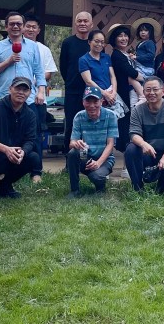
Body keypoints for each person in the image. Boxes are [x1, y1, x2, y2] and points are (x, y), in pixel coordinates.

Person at [125, 77, 164, 193]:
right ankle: (138, 188)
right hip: (147, 152)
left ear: (163, 91)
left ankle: (159, 190)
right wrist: (143, 144)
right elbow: (133, 133)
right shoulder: (137, 110)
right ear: (143, 92)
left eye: (155, 89)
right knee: (131, 149)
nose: (151, 93)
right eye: (148, 90)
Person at [23, 14, 58, 182]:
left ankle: (36, 170)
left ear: (38, 30)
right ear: (22, 27)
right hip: (17, 97)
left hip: (37, 97)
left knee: (35, 134)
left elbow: (49, 73)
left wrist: (35, 83)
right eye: (28, 26)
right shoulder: (15, 46)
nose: (30, 29)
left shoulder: (44, 49)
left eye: (34, 27)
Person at [66, 88, 118, 197]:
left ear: (101, 101)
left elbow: (110, 144)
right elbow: (72, 142)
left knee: (97, 176)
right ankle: (74, 190)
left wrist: (98, 163)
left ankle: (100, 186)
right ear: (83, 102)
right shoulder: (79, 116)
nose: (91, 105)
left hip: (105, 159)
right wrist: (76, 143)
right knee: (72, 153)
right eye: (88, 102)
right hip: (86, 155)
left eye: (95, 101)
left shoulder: (111, 116)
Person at [60, 10, 94, 153]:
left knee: (91, 123)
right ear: (75, 23)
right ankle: (69, 157)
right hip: (73, 91)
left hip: (91, 91)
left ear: (91, 24)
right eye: (79, 21)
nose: (82, 23)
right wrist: (70, 82)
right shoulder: (68, 43)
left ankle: (90, 156)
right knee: (72, 124)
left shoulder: (94, 43)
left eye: (85, 21)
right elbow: (63, 66)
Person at [108, 22, 144, 148]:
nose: (124, 38)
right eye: (120, 36)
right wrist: (143, 78)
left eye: (125, 35)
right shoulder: (117, 55)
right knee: (127, 122)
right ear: (114, 38)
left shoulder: (125, 54)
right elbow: (130, 72)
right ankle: (127, 149)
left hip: (132, 91)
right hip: (125, 93)